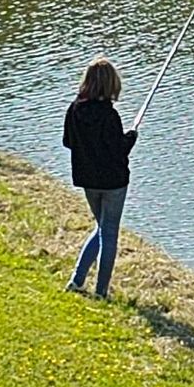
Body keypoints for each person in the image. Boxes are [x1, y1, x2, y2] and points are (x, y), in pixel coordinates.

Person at [63, 57, 137, 299]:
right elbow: (118, 150)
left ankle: (77, 280)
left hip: (88, 181)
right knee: (110, 232)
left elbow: (67, 142)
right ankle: (101, 292)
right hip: (113, 182)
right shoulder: (109, 115)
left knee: (102, 228)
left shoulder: (74, 109)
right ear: (110, 85)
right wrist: (131, 138)